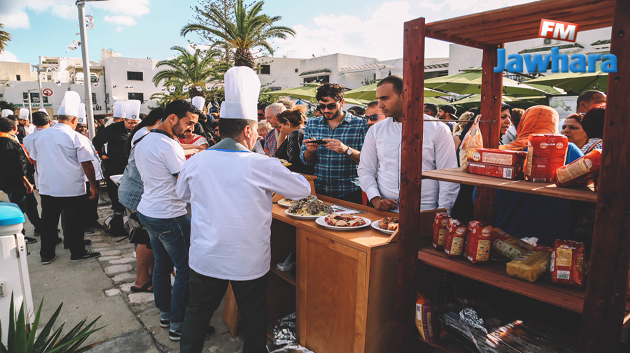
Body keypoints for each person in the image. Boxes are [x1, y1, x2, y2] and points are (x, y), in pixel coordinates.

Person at [177, 66, 311, 353]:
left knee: (197, 311)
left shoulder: (196, 161)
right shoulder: (261, 164)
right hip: (248, 258)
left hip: (206, 255)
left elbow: (182, 195)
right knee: (253, 314)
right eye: (256, 132)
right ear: (248, 130)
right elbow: (303, 189)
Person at [135, 100, 200, 341]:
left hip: (149, 211)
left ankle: (165, 312)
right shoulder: (168, 146)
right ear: (173, 118)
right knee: (185, 269)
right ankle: (178, 324)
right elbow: (184, 181)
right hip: (170, 215)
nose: (191, 129)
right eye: (189, 123)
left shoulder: (146, 140)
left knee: (162, 263)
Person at [358, 75, 459, 212]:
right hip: (385, 210)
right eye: (378, 99)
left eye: (385, 98)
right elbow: (365, 169)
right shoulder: (376, 130)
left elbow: (448, 175)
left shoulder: (438, 129)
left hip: (426, 209)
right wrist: (375, 198)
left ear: (404, 95)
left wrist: (443, 213)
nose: (380, 105)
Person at [496, 106, 583, 245]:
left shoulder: (504, 152)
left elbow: (478, 197)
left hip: (504, 237)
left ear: (523, 123)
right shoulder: (568, 149)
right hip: (552, 238)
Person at [30, 91, 100, 264]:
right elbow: (87, 164)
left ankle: (46, 255)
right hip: (71, 188)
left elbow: (35, 161)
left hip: (47, 187)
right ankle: (77, 252)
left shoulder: (41, 135)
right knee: (75, 221)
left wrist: (43, 177)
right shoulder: (76, 136)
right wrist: (93, 185)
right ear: (75, 120)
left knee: (48, 222)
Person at [119, 108, 166, 295]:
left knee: (143, 238)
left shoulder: (144, 133)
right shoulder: (148, 136)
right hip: (137, 194)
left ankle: (148, 274)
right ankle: (142, 281)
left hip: (132, 190)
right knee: (145, 238)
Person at [301, 83, 368, 204]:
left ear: (342, 103)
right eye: (322, 106)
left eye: (331, 106)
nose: (326, 110)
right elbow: (305, 160)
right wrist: (309, 151)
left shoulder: (360, 124)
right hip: (319, 190)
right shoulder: (312, 123)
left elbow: (368, 161)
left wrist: (346, 150)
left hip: (349, 191)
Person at [93, 100, 141, 216]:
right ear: (124, 120)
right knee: (115, 188)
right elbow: (97, 140)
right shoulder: (114, 128)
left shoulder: (139, 129)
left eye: (135, 123)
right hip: (115, 164)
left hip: (131, 164)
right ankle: (117, 208)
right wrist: (101, 155)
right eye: (130, 123)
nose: (132, 125)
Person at [0, 116, 38, 244]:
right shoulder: (7, 142)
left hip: (15, 181)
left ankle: (39, 227)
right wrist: (25, 181)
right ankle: (20, 236)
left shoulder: (6, 140)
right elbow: (15, 165)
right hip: (17, 182)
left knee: (31, 204)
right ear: (14, 127)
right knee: (19, 208)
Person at [76, 103, 105, 233]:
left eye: (84, 126)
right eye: (80, 127)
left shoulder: (85, 138)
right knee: (85, 204)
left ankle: (93, 220)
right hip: (84, 177)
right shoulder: (75, 138)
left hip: (94, 175)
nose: (83, 129)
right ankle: (85, 224)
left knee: (93, 203)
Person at [275, 106, 313, 174]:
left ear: (288, 124)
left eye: (281, 126)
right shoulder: (307, 132)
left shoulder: (295, 134)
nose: (281, 131)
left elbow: (293, 161)